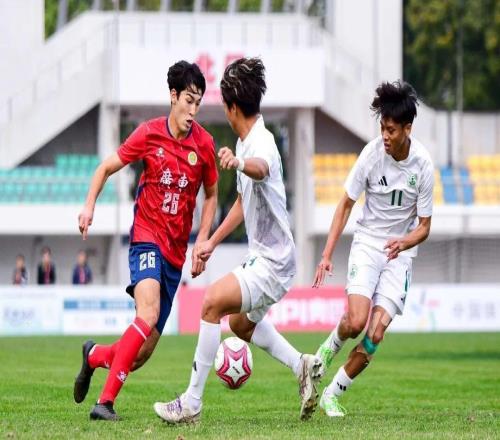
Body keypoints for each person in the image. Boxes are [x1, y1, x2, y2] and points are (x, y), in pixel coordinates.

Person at [154, 57, 322, 425]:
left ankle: (191, 403)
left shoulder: (260, 143)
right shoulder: (247, 141)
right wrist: (211, 242)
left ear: (232, 108)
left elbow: (260, 169)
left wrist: (241, 164)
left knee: (211, 303)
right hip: (271, 258)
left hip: (273, 261)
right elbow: (245, 202)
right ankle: (301, 365)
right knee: (242, 326)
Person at [73, 60, 218, 421]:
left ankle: (94, 356)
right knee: (147, 313)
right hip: (146, 239)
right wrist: (89, 206)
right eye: (188, 100)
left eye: (198, 103)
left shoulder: (204, 145)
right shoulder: (148, 134)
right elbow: (105, 167)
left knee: (139, 355)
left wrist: (203, 240)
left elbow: (213, 195)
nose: (193, 110)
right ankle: (105, 403)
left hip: (175, 255)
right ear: (173, 96)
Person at [312, 80, 433, 417]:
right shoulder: (371, 155)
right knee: (355, 321)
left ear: (407, 129)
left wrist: (404, 242)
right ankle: (322, 355)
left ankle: (332, 394)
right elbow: (345, 204)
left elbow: (424, 227)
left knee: (374, 334)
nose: (385, 136)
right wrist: (326, 255)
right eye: (382, 128)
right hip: (368, 242)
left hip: (401, 254)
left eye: (391, 130)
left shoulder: (423, 165)